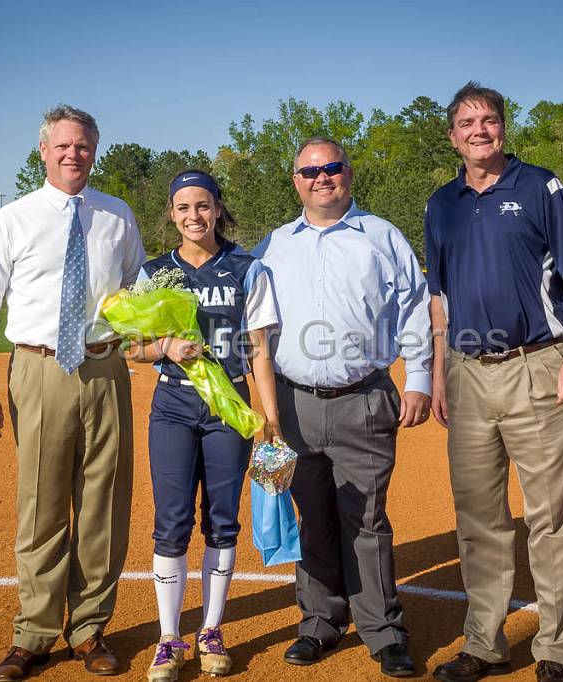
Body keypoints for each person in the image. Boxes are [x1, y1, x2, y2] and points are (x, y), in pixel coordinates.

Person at [0, 105, 145, 682]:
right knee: (42, 505)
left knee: (104, 505)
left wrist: (153, 344)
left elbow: (139, 289)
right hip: (38, 369)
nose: (74, 155)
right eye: (63, 146)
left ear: (95, 149)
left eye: (85, 146)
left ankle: (90, 628)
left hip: (106, 367)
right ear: (43, 151)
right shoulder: (12, 219)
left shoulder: (116, 216)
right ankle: (35, 634)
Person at [425, 82, 563, 682]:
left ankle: (554, 650)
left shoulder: (539, 186)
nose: (480, 130)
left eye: (489, 120)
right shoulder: (440, 203)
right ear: (452, 136)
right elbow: (438, 297)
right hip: (468, 373)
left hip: (538, 366)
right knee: (479, 517)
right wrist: (441, 373)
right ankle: (484, 643)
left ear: (503, 128)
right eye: (467, 123)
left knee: (553, 516)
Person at [254, 137, 432, 679]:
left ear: (348, 174)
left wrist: (420, 378)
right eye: (310, 171)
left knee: (368, 520)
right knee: (312, 518)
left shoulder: (381, 236)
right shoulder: (273, 245)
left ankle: (383, 632)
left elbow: (415, 308)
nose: (321, 178)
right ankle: (319, 624)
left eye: (331, 168)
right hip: (293, 404)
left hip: (365, 397)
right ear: (296, 181)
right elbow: (253, 323)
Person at [127, 170, 281, 682]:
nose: (194, 216)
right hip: (173, 404)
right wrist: (166, 347)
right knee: (171, 523)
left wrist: (270, 418)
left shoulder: (247, 268)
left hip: (229, 409)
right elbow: (131, 347)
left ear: (217, 209)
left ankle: (212, 630)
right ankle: (169, 639)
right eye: (183, 207)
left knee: (222, 520)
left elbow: (259, 350)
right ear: (171, 214)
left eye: (203, 206)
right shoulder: (155, 274)